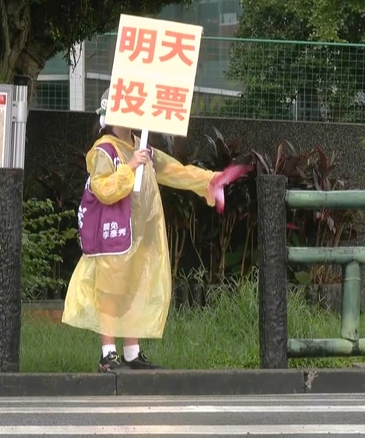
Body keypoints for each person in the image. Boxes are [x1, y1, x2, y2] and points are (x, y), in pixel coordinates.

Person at [62, 89, 249, 372]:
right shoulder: (104, 150)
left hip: (139, 235)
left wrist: (210, 180)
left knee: (134, 289)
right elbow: (104, 189)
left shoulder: (142, 145)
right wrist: (130, 166)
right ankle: (108, 353)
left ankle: (132, 353)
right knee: (111, 292)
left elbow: (173, 171)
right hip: (115, 235)